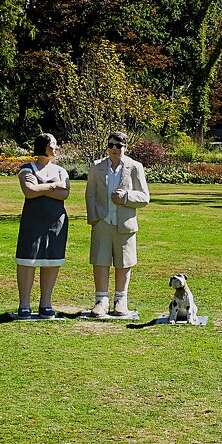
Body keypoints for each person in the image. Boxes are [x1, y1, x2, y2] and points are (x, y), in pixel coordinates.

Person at [85, 132, 150, 316]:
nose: (114, 149)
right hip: (102, 222)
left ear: (125, 147)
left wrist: (126, 197)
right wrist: (94, 218)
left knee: (124, 262)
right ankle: (101, 300)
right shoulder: (96, 167)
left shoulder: (135, 167)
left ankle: (121, 300)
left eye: (118, 146)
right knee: (100, 260)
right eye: (111, 145)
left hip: (125, 224)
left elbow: (145, 197)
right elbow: (90, 194)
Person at [14, 133, 70, 319]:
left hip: (56, 222)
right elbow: (29, 191)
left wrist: (42, 188)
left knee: (51, 261)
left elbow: (65, 194)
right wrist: (54, 187)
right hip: (33, 221)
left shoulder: (61, 171)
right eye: (52, 144)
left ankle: (46, 303)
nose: (55, 147)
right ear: (43, 147)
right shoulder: (27, 169)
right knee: (27, 260)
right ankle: (24, 305)